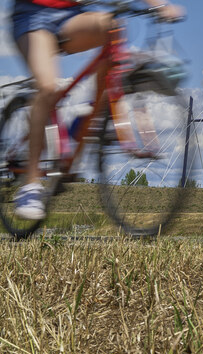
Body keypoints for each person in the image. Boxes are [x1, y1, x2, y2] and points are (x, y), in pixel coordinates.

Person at [10, 0, 185, 220]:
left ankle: (91, 115)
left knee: (113, 28)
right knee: (46, 87)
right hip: (33, 18)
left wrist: (159, 4)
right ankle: (31, 185)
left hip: (70, 16)